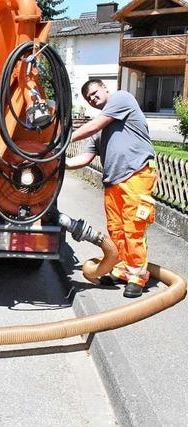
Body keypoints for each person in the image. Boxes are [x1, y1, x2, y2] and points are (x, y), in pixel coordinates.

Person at [66, 79, 157, 298]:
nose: (92, 98)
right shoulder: (98, 129)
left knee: (133, 228)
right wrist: (60, 163)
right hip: (113, 182)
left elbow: (94, 125)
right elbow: (86, 157)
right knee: (116, 229)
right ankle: (123, 270)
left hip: (136, 173)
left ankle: (137, 276)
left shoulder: (121, 99)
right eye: (89, 98)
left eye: (95, 93)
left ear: (105, 88)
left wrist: (63, 139)